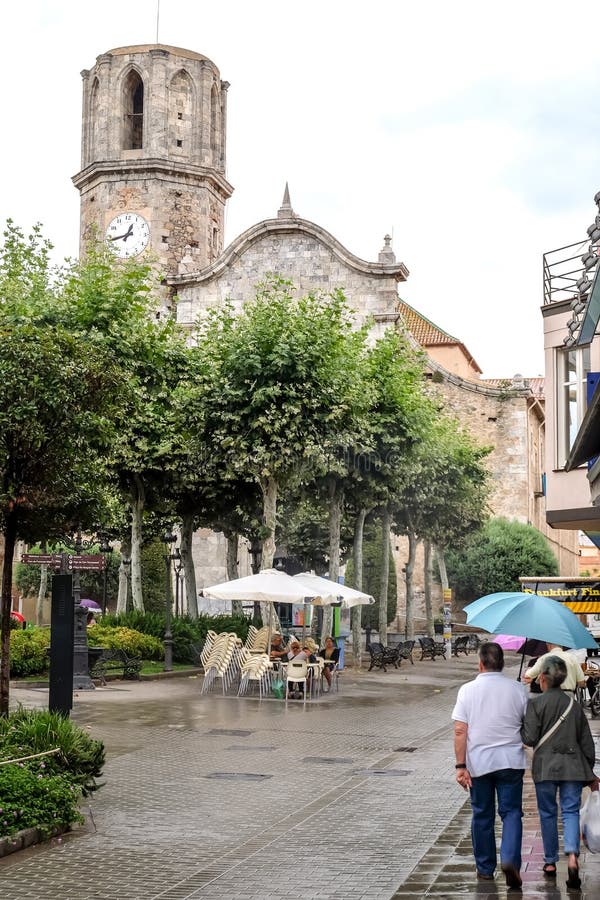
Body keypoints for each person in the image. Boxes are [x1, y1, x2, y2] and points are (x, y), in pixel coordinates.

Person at [451, 641, 528, 890]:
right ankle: (510, 859)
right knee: (512, 813)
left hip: (479, 763)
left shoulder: (467, 690)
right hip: (511, 761)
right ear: (502, 664)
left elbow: (460, 730)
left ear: (480, 663)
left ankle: (485, 869)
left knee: (482, 814)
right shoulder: (518, 690)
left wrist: (460, 766)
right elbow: (527, 727)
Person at [521, 654, 599, 888]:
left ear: (542, 678)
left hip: (545, 768)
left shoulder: (535, 704)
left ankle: (550, 862)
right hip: (573, 768)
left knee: (547, 813)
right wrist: (591, 773)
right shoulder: (574, 706)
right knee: (570, 812)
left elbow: (530, 737)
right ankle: (573, 855)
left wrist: (520, 725)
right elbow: (587, 742)